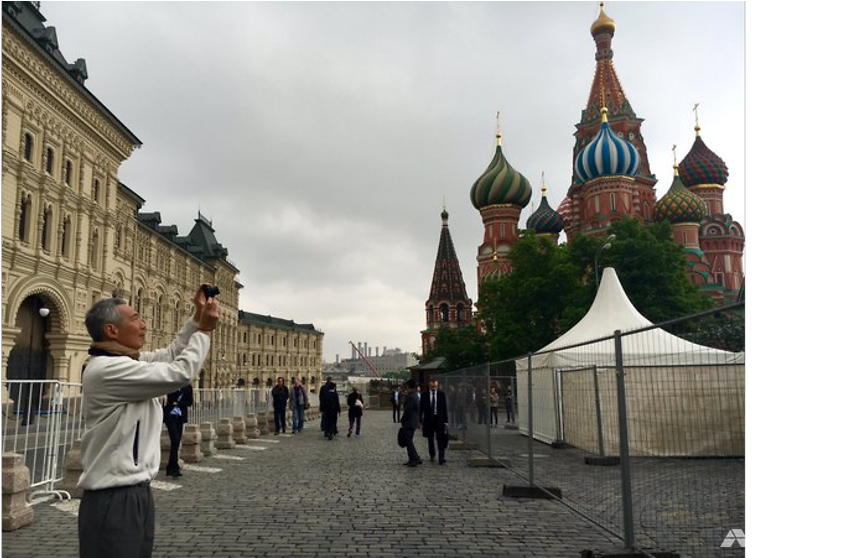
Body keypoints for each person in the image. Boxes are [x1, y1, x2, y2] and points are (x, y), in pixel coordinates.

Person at [76, 284, 218, 558]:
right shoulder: (108, 369)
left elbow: (170, 354)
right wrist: (205, 331)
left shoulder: (126, 362)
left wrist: (196, 318)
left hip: (134, 491)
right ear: (111, 330)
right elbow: (180, 372)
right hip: (114, 496)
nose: (144, 324)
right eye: (136, 318)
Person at [163, 383, 193, 477]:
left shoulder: (188, 386)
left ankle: (170, 467)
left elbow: (190, 402)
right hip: (170, 415)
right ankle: (174, 468)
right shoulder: (171, 385)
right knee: (175, 440)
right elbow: (166, 399)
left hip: (180, 416)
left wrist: (178, 403)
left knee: (176, 441)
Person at [420, 379, 449, 464]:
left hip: (439, 419)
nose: (433, 388)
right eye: (432, 386)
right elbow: (421, 408)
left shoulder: (441, 395)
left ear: (437, 386)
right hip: (429, 420)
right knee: (430, 438)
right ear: (429, 386)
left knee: (440, 438)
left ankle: (441, 458)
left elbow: (444, 409)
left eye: (435, 386)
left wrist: (446, 421)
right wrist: (420, 420)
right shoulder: (424, 395)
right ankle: (432, 454)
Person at [400, 379, 422, 467]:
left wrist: (402, 419)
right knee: (409, 441)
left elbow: (408, 410)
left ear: (409, 386)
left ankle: (415, 458)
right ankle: (413, 458)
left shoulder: (411, 397)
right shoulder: (415, 395)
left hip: (410, 422)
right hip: (412, 422)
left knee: (409, 441)